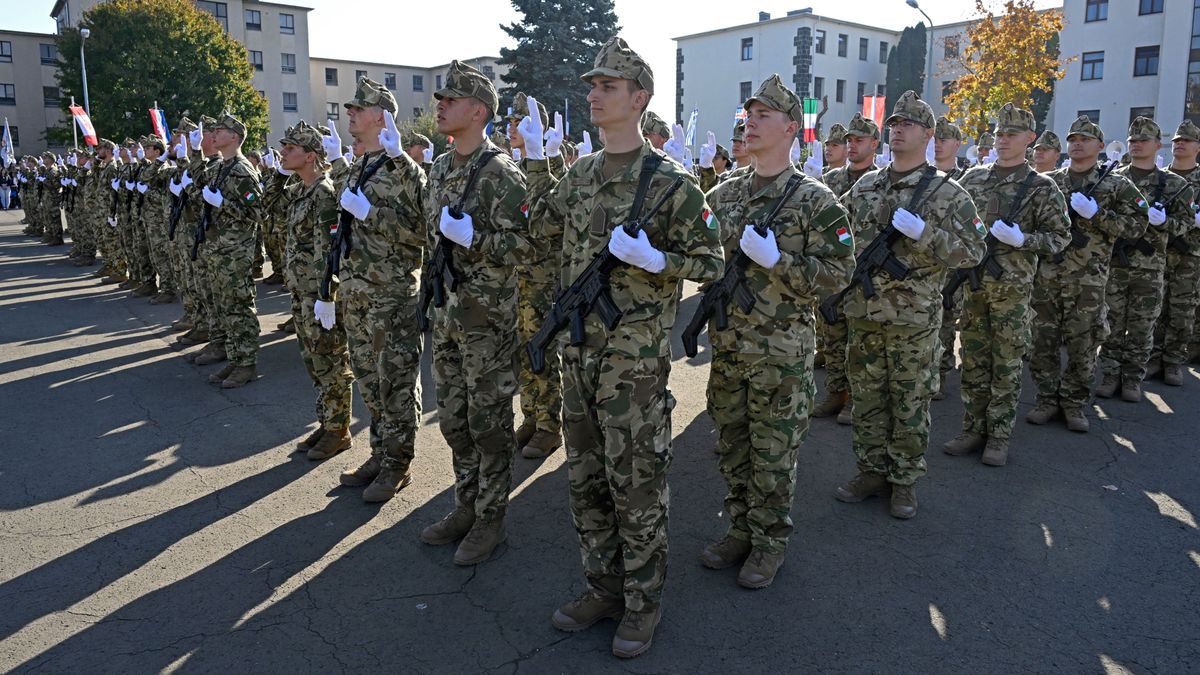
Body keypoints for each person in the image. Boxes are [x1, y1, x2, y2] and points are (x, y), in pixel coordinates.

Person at [532, 37, 723, 657]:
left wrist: (659, 259)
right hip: (578, 353)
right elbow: (540, 234)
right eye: (593, 85)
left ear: (639, 98)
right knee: (584, 477)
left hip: (634, 364)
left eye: (608, 87)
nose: (593, 94)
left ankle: (643, 603)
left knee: (636, 481)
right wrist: (536, 164)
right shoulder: (579, 176)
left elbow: (712, 261)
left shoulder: (672, 184)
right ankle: (602, 587)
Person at [698, 74, 853, 588]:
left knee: (773, 452)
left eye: (764, 115)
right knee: (732, 444)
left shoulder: (816, 201)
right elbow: (700, 258)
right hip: (728, 347)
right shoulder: (723, 195)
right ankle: (740, 528)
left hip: (781, 353)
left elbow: (839, 274)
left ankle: (769, 543)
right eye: (749, 114)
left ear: (791, 128)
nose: (751, 123)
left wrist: (780, 261)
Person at [833, 91, 984, 519]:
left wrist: (927, 235)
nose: (898, 129)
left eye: (909, 124)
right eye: (894, 123)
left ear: (929, 134)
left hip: (913, 320)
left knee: (909, 401)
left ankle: (904, 481)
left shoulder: (947, 193)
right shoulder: (867, 185)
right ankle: (870, 471)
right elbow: (840, 238)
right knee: (866, 399)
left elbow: (973, 252)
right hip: (863, 315)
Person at [418, 61, 527, 562]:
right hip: (447, 315)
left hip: (487, 322)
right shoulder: (440, 167)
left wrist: (476, 239)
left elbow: (526, 248)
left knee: (489, 423)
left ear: (478, 111)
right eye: (440, 99)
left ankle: (491, 518)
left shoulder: (501, 173)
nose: (439, 106)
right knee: (455, 421)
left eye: (451, 99)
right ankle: (466, 502)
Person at [943, 103, 1070, 466]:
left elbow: (1060, 238)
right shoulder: (973, 180)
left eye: (1011, 134)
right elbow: (952, 225)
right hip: (974, 287)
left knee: (1007, 363)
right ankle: (972, 428)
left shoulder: (1042, 188)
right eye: (999, 133)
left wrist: (1024, 240)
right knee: (972, 359)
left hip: (1013, 293)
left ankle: (998, 435)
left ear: (1030, 139)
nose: (1002, 140)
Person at [324, 78, 428, 503]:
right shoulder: (356, 166)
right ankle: (380, 451)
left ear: (382, 115)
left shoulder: (404, 169)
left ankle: (398, 464)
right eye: (349, 108)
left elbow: (422, 231)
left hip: (391, 295)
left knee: (396, 383)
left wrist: (372, 213)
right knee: (369, 380)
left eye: (358, 108)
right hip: (357, 293)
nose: (349, 113)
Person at [1028, 115, 1147, 432]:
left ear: (1100, 146)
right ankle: (1046, 399)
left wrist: (1098, 215)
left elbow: (1137, 226)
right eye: (1072, 139)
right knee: (1044, 343)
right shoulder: (1048, 182)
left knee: (1084, 345)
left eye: (1084, 139)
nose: (1077, 144)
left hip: (1089, 282)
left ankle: (1073, 404)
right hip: (1047, 278)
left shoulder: (1117, 184)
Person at [1096, 117, 1193, 402]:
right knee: (1111, 324)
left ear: (1156, 145)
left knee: (1142, 326)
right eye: (1132, 141)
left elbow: (1186, 224)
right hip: (1115, 265)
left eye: (1142, 141)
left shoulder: (1173, 184)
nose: (1136, 145)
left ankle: (1132, 379)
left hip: (1150, 268)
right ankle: (1110, 375)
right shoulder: (1113, 179)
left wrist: (1165, 222)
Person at [275, 121, 356, 461]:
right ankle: (327, 421)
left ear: (310, 157)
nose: (283, 153)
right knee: (313, 359)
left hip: (319, 294)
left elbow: (330, 250)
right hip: (301, 290)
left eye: (290, 149)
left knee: (331, 360)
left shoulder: (323, 194)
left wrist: (327, 295)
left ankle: (339, 430)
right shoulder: (299, 190)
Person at [507, 92, 567, 459]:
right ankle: (530, 415)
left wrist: (550, 155)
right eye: (511, 122)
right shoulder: (508, 165)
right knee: (522, 352)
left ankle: (549, 426)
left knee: (542, 348)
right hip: (516, 277)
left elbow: (554, 205)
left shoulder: (541, 166)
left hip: (542, 276)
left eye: (520, 122)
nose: (512, 128)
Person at [812, 112, 879, 424]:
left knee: (861, 344)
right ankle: (835, 393)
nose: (852, 145)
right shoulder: (829, 182)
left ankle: (856, 399)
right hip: (832, 274)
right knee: (833, 339)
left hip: (866, 276)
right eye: (849, 140)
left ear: (874, 145)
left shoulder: (881, 183)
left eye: (858, 140)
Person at [197, 113, 263, 388]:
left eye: (220, 130)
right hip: (217, 249)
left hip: (236, 251)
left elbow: (258, 212)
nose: (214, 134)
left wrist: (223, 204)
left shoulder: (242, 170)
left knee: (239, 307)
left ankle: (247, 363)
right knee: (224, 307)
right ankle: (235, 358)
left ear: (234, 136)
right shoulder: (218, 168)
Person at [1152, 121, 1200, 379]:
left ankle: (1173, 362)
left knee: (1182, 309)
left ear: (1198, 147)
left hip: (1190, 255)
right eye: (1177, 140)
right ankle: (1153, 357)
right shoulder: (1161, 178)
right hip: (1159, 251)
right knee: (1155, 307)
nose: (1180, 143)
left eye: (1187, 140)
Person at [931, 116, 968, 400]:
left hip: (955, 270)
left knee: (946, 324)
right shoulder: (921, 179)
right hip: (926, 267)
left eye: (944, 139)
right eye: (935, 138)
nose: (938, 144)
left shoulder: (965, 182)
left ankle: (941, 373)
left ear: (957, 144)